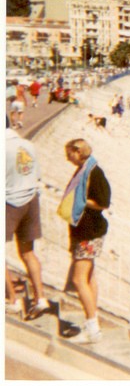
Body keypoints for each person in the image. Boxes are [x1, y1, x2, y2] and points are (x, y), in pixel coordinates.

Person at [61, 138, 111, 343]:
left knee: (78, 279)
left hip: (89, 232)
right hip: (85, 232)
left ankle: (92, 328)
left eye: (69, 153)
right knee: (89, 277)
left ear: (77, 151)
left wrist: (80, 202)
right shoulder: (85, 169)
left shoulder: (94, 172)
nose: (66, 157)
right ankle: (92, 320)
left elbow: (103, 202)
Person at [6, 116, 47, 320]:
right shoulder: (27, 145)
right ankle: (40, 298)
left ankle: (13, 301)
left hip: (9, 203)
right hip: (30, 201)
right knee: (28, 252)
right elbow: (36, 174)